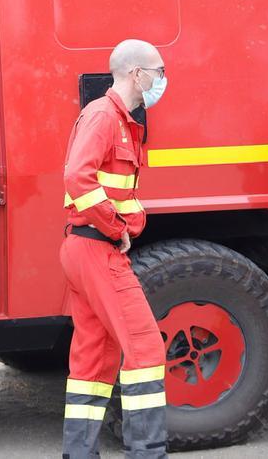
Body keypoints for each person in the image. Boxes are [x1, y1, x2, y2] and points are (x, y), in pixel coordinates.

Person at [60, 39, 168, 459]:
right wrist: (115, 225)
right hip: (97, 248)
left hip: (87, 249)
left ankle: (79, 453)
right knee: (145, 348)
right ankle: (147, 451)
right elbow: (77, 178)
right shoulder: (105, 117)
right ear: (136, 73)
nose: (163, 78)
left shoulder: (118, 118)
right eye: (158, 70)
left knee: (95, 357)